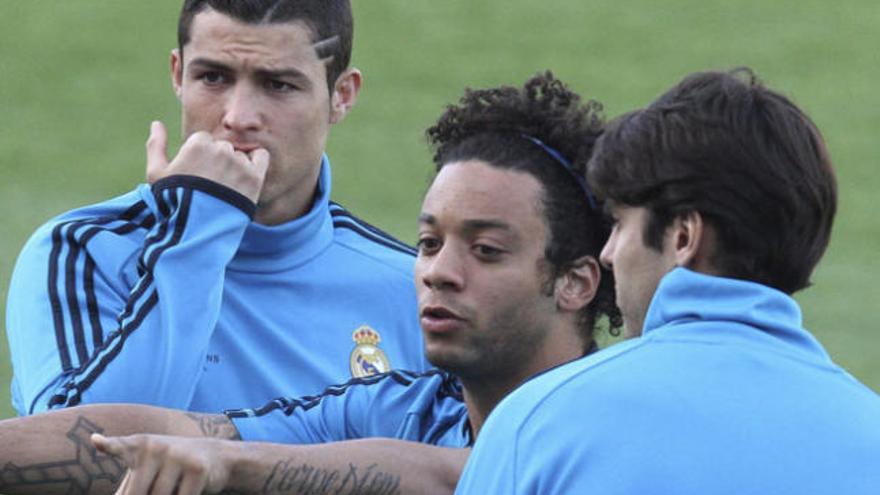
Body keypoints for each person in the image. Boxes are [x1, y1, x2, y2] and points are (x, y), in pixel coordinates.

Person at [0, 72, 619, 495]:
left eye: (485, 250)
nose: (437, 271)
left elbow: (458, 477)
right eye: (429, 243)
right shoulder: (395, 407)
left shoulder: (616, 416)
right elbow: (173, 433)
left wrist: (234, 465)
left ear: (574, 283)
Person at [455, 68, 880, 494]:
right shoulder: (871, 433)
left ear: (683, 237)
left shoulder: (538, 422)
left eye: (619, 225)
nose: (607, 253)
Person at [5, 0, 430, 416]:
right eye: (212, 77)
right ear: (177, 75)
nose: (238, 117)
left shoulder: (413, 290)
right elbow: (87, 463)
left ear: (342, 95)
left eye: (279, 85)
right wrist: (196, 233)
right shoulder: (83, 257)